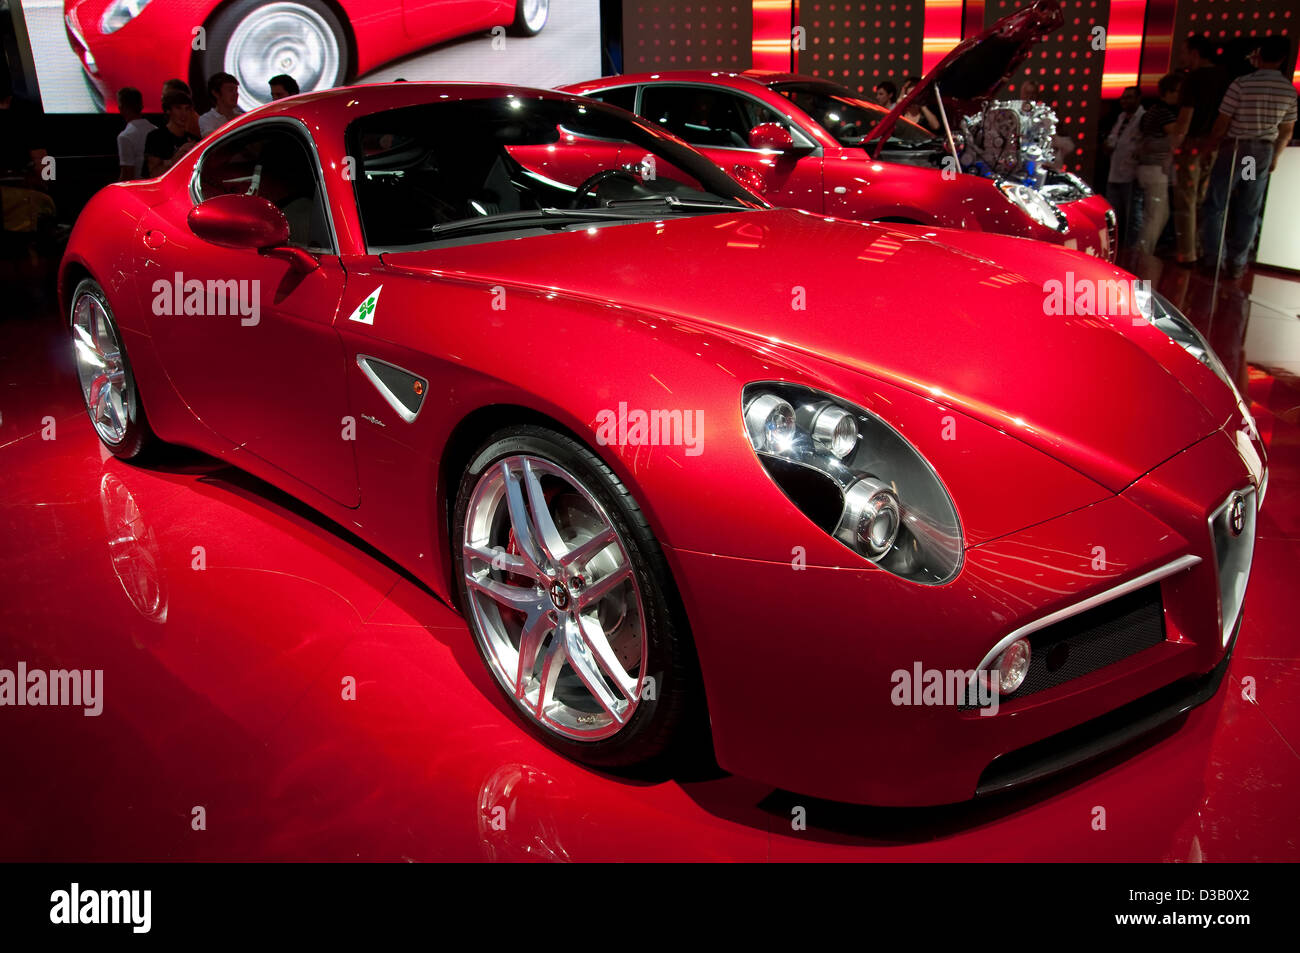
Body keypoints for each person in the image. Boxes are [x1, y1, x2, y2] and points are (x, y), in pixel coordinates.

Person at [1199, 35, 1298, 279]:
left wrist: (1210, 147)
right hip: (1258, 154)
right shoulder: (1288, 89)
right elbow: (1287, 129)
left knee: (1216, 204)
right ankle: (1237, 262)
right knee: (1247, 207)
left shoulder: (1242, 83)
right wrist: (1276, 155)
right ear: (1283, 58)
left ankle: (1213, 258)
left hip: (1236, 148)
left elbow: (1222, 122)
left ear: (1260, 55)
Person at [1170, 35, 1230, 265]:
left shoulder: (1193, 79)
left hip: (1192, 146)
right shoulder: (1225, 78)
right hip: (1216, 146)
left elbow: (1186, 116)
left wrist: (1175, 144)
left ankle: (1187, 254)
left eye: (1184, 51)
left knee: (1185, 200)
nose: (1181, 56)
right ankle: (1206, 250)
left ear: (1195, 53)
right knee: (1206, 200)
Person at [1134, 74, 1183, 255]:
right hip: (1155, 169)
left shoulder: (1153, 111)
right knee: (1155, 216)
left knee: (1156, 214)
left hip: (1149, 169)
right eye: (1178, 91)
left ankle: (1143, 252)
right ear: (1168, 92)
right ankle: (1143, 253)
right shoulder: (1163, 113)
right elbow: (1176, 134)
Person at [1103, 86, 1144, 246]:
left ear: (1138, 99)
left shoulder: (1143, 118)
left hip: (1131, 174)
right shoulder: (1121, 118)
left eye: (1129, 97)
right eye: (1123, 98)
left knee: (1132, 216)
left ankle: (1132, 249)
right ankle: (1117, 247)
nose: (1125, 101)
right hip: (1115, 173)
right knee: (1115, 215)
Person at [144, 90, 199, 177]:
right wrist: (173, 161)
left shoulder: (193, 140)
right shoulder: (156, 137)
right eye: (178, 108)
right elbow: (153, 174)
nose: (183, 114)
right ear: (168, 110)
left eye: (187, 109)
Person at [115, 88, 155, 180]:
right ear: (141, 106)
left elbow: (127, 174)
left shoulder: (125, 136)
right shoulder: (155, 130)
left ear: (121, 108)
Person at [199, 72, 242, 136]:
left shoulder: (241, 117)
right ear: (216, 93)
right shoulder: (207, 119)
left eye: (236, 90)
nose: (235, 94)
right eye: (230, 90)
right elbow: (211, 141)